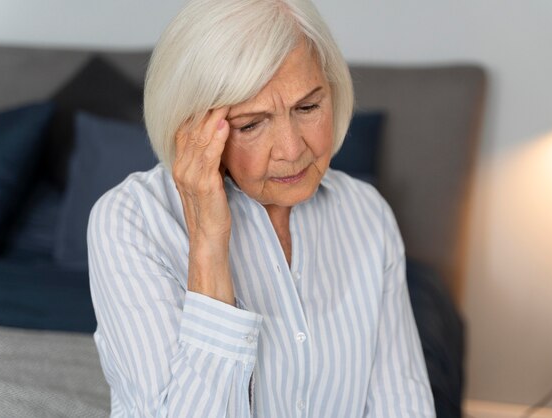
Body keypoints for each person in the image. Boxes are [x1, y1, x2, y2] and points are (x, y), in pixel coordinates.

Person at [87, 0, 436, 416]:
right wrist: (209, 246)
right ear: (192, 130)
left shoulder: (366, 214)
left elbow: (402, 404)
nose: (291, 150)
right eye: (251, 124)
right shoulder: (130, 223)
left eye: (308, 107)